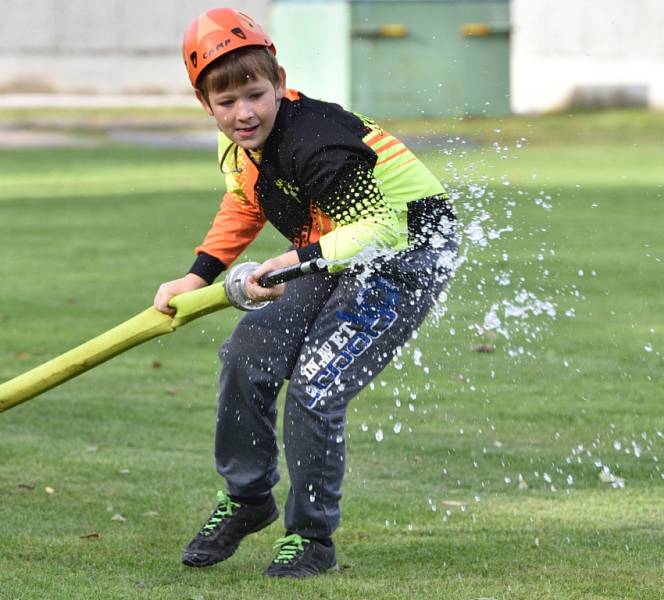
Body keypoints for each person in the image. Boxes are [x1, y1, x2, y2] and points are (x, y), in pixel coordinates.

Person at [153, 7, 459, 578]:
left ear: (280, 82)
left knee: (317, 385)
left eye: (255, 94)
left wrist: (294, 261)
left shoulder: (315, 142)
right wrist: (196, 275)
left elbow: (383, 230)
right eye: (227, 102)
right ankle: (248, 498)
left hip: (404, 256)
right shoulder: (239, 146)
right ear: (206, 105)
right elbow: (246, 202)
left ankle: (312, 540)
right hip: (333, 248)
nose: (244, 112)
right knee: (246, 357)